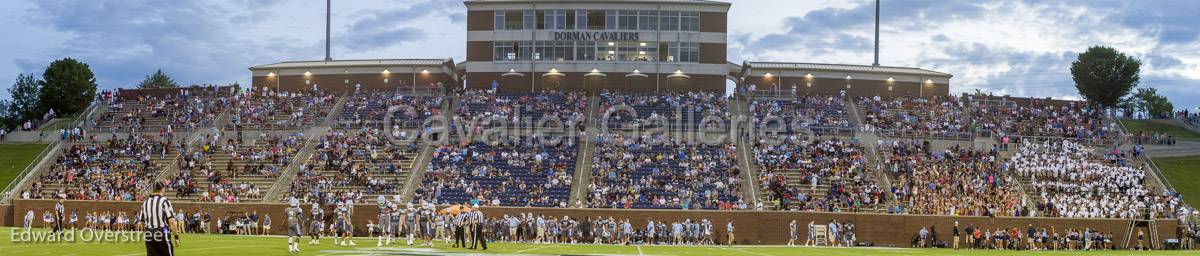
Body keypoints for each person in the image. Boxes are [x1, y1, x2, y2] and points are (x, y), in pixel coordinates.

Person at [137, 183, 180, 256]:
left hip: (149, 234)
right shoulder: (164, 201)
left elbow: (141, 221)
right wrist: (176, 237)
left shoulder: (145, 202)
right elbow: (171, 221)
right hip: (161, 231)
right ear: (162, 189)